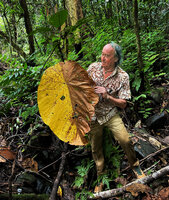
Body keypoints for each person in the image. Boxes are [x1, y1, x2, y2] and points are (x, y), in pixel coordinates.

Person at [87, 42, 145, 193]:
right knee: (95, 147)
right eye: (102, 54)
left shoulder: (123, 76)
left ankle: (135, 165)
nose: (103, 58)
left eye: (107, 56)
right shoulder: (93, 68)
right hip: (93, 115)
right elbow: (82, 86)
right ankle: (101, 177)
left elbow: (124, 104)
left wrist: (107, 96)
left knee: (125, 140)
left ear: (116, 59)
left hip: (111, 114)